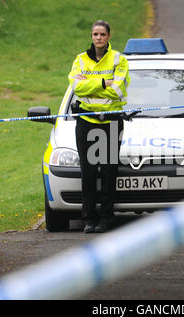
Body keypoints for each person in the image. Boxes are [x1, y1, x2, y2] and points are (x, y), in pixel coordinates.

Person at [68, 20, 130, 233]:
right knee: (88, 172)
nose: (98, 38)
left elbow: (119, 90)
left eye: (102, 34)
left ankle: (106, 218)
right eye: (95, 34)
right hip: (86, 122)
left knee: (109, 172)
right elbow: (77, 87)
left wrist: (91, 86)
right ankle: (88, 219)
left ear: (109, 36)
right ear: (91, 36)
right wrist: (104, 83)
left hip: (111, 121)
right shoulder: (80, 60)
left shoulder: (119, 60)